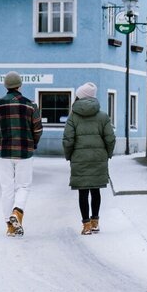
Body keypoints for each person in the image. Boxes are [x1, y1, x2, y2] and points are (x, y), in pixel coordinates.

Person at [0, 71, 43, 237]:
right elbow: (38, 129)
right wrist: (34, 143)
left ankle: (9, 226)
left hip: (3, 151)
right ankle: (17, 213)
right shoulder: (30, 105)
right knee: (23, 186)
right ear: (20, 85)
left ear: (6, 86)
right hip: (25, 150)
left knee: (6, 188)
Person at [62, 82, 115, 235]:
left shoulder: (73, 117)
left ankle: (86, 226)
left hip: (79, 158)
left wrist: (69, 155)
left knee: (83, 192)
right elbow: (110, 139)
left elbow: (68, 140)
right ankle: (95, 222)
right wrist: (107, 154)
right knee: (96, 189)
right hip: (99, 158)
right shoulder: (103, 116)